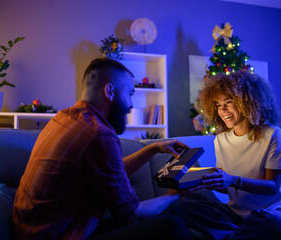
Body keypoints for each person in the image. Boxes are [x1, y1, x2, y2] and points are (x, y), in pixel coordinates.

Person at [12, 57, 196, 240]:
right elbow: (133, 214)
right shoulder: (98, 134)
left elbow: (109, 172)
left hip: (33, 231)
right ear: (109, 91)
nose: (131, 105)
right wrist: (174, 195)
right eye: (130, 94)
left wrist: (153, 148)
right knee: (172, 226)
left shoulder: (63, 118)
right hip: (58, 235)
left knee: (165, 214)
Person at [164, 71, 281, 240]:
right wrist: (210, 180)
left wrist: (233, 180)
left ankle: (232, 236)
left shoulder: (273, 134)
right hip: (234, 216)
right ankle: (239, 235)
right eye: (218, 104)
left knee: (278, 224)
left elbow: (272, 187)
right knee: (184, 205)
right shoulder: (220, 139)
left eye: (228, 102)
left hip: (270, 214)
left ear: (247, 102)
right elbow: (228, 188)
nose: (222, 110)